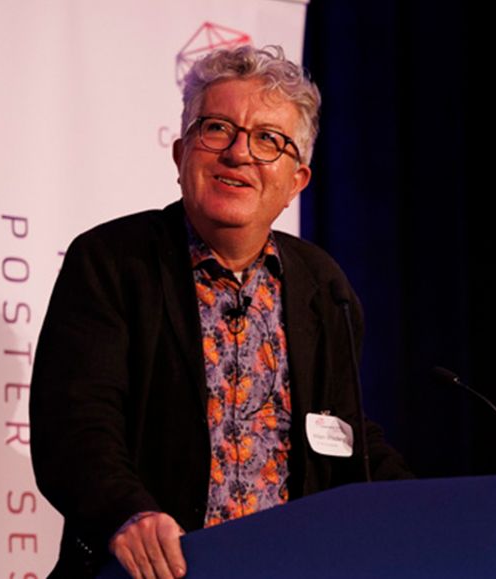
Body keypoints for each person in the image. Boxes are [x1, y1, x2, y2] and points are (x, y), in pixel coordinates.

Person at [29, 45, 412, 579]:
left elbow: (344, 434)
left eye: (268, 141)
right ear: (181, 152)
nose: (238, 154)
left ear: (296, 181)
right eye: (217, 130)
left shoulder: (322, 286)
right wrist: (128, 513)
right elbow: (75, 427)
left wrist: (434, 508)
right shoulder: (114, 261)